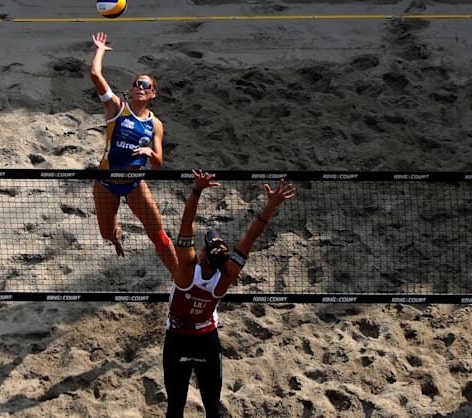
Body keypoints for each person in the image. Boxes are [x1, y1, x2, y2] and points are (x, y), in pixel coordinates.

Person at [163, 170, 296, 418]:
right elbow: (251, 236)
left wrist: (197, 190)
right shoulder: (225, 277)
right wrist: (270, 206)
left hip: (177, 340)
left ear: (202, 254)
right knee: (213, 407)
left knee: (175, 408)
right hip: (206, 341)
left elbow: (186, 224)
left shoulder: (185, 272)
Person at [89, 31, 177, 275]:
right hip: (106, 183)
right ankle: (116, 236)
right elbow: (95, 75)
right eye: (137, 83)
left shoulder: (155, 124)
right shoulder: (117, 108)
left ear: (152, 94)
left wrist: (150, 152)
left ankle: (180, 279)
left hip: (135, 185)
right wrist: (100, 50)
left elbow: (158, 164)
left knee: (159, 236)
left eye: (145, 85)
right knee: (106, 233)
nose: (140, 87)